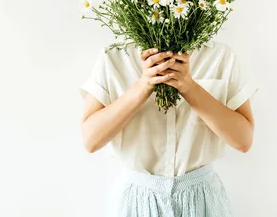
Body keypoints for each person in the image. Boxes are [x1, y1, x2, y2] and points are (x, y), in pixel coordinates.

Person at [79, 40, 258, 216]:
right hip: (136, 202)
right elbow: (90, 140)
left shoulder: (221, 57)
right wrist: (144, 85)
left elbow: (243, 140)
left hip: (203, 201)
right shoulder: (113, 57)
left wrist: (189, 87)